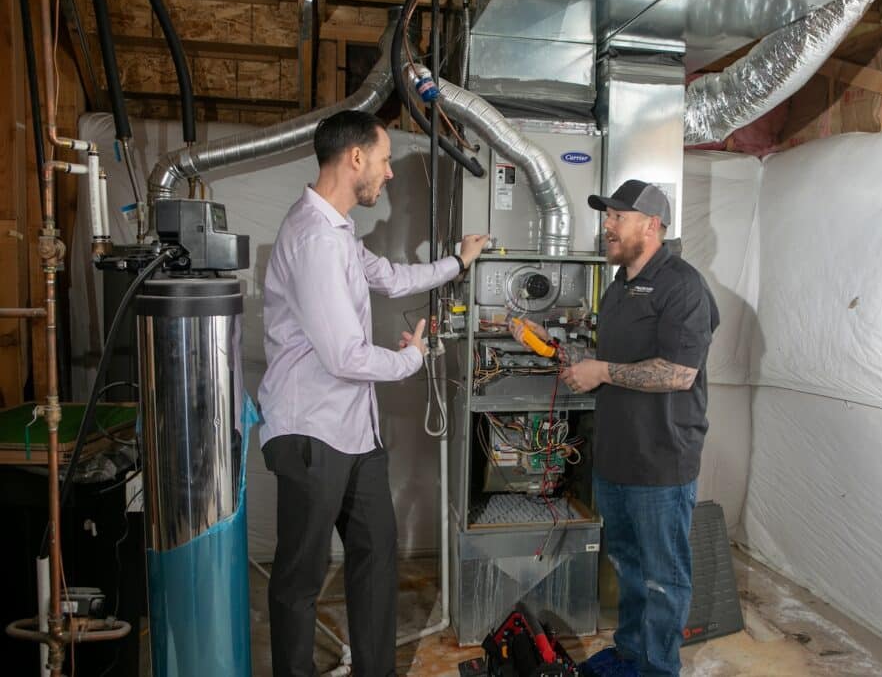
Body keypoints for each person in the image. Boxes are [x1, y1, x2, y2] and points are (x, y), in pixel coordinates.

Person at [257, 109, 488, 677]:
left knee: (376, 558)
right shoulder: (312, 238)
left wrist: (457, 261)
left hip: (354, 432)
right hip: (311, 430)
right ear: (355, 157)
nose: (388, 175)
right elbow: (343, 357)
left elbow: (387, 276)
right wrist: (414, 356)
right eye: (385, 162)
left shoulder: (337, 230)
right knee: (299, 580)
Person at [513, 180, 719, 677]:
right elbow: (614, 363)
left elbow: (679, 373)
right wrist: (569, 355)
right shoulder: (619, 286)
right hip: (618, 458)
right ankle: (632, 652)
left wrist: (601, 372)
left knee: (663, 578)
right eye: (607, 216)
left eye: (617, 217)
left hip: (662, 461)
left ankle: (657, 668)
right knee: (628, 568)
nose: (607, 225)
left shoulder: (683, 285)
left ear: (652, 225)